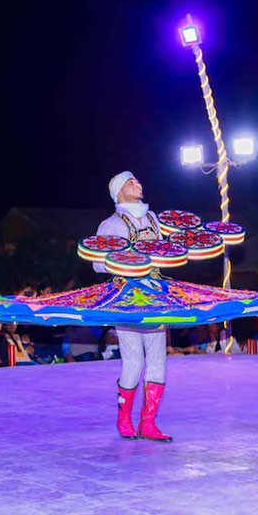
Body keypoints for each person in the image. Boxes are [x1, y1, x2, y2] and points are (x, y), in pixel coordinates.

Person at [94, 171, 171, 441]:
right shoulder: (111, 224)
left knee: (158, 358)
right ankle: (123, 419)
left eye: (138, 180)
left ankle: (148, 423)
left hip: (155, 295)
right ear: (118, 193)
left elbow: (166, 254)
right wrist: (129, 261)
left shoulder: (154, 220)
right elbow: (97, 262)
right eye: (130, 182)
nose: (138, 184)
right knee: (134, 360)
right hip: (126, 297)